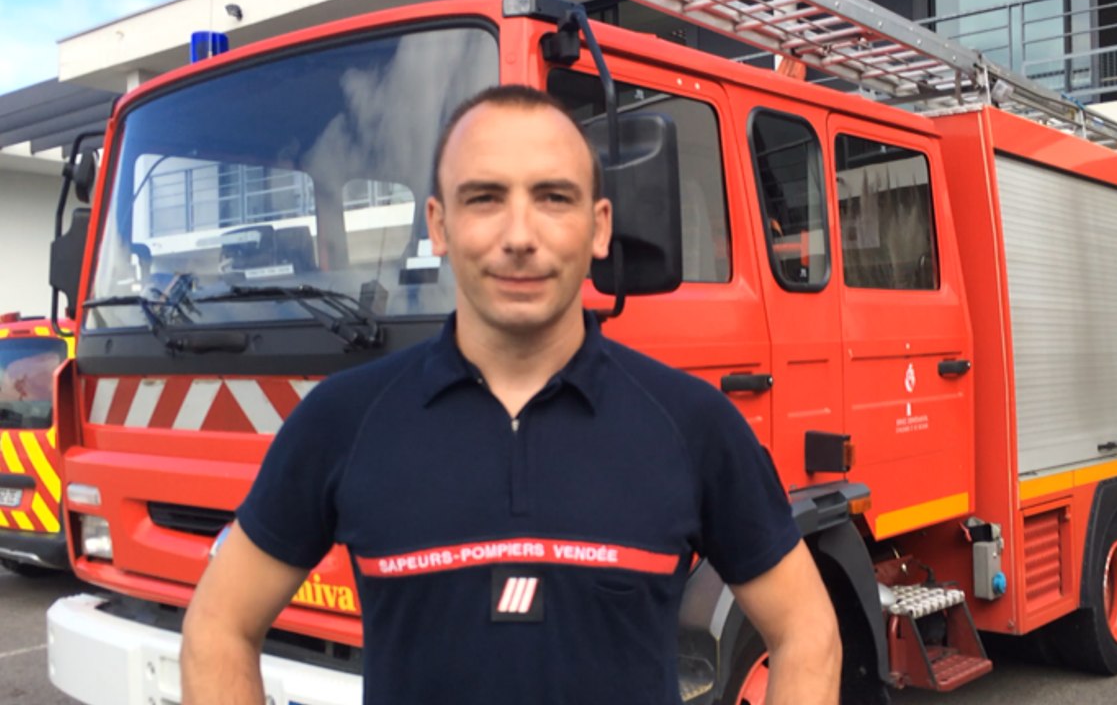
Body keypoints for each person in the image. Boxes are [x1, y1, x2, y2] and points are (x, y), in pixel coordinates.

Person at [180, 85, 841, 704]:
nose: (519, 237)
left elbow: (807, 633)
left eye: (553, 197)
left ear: (600, 226)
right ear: (438, 225)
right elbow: (218, 626)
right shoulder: (341, 422)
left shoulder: (693, 425)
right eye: (485, 198)